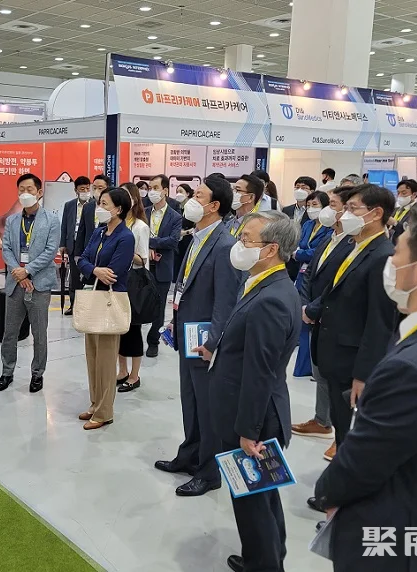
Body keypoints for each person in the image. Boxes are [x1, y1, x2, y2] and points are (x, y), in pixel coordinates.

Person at [314, 201, 417, 572]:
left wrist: (327, 492)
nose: (391, 262)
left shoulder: (412, 369)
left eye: (398, 252)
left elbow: (361, 464)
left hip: (395, 539)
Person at [210, 210, 301, 572]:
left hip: (254, 418)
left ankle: (264, 565)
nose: (239, 244)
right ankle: (265, 558)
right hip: (250, 410)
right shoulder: (264, 284)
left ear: (271, 249)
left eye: (247, 239)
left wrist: (248, 431)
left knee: (252, 500)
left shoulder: (272, 299)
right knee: (261, 496)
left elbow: (260, 372)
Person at [155, 175, 241, 496]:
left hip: (205, 339)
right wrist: (174, 322)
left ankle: (209, 472)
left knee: (207, 406)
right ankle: (189, 454)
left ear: (214, 205)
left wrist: (213, 342)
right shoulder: (197, 237)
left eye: (199, 195)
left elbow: (225, 302)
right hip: (186, 332)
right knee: (190, 400)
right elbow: (185, 286)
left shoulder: (225, 245)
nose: (191, 200)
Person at [310, 184, 397, 455]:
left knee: (351, 431)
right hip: (335, 354)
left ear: (376, 213)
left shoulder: (382, 255)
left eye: (352, 209)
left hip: (352, 361)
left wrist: (363, 374)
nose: (345, 215)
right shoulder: (356, 246)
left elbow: (379, 322)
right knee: (340, 424)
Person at [293, 187, 354, 462]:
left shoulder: (352, 245)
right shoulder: (328, 238)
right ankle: (322, 420)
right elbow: (310, 274)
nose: (329, 210)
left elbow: (337, 285)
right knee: (320, 372)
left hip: (332, 315)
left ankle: (343, 436)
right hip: (315, 312)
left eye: (335, 204)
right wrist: (305, 305)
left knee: (336, 378)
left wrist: (314, 308)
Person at [76, 187, 135, 430]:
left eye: (105, 204)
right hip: (93, 298)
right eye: (99, 202)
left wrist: (95, 270)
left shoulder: (126, 237)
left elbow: (114, 272)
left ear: (118, 209)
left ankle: (104, 412)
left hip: (110, 301)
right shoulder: (99, 232)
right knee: (92, 356)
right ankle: (95, 403)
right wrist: (94, 270)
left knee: (107, 361)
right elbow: (81, 259)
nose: (100, 207)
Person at [0, 173, 59, 394]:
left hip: (39, 284)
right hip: (16, 283)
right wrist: (19, 274)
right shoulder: (12, 220)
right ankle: (7, 371)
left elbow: (50, 251)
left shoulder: (51, 220)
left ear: (39, 192)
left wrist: (28, 270)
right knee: (9, 332)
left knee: (39, 334)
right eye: (21, 189)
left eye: (29, 189)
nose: (25, 193)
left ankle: (37, 374)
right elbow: (6, 248)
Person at [292, 190, 332, 378]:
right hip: (303, 274)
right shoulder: (307, 224)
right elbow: (299, 244)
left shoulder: (329, 228)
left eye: (315, 205)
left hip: (318, 273)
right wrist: (300, 252)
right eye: (308, 205)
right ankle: (302, 367)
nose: (310, 209)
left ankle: (313, 365)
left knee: (313, 320)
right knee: (301, 317)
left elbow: (316, 251)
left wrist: (300, 253)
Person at [116, 182, 149, 392]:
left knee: (133, 331)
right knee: (118, 329)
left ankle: (135, 375)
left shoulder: (140, 227)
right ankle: (122, 370)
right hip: (117, 282)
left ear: (134, 200)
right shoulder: (116, 223)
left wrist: (124, 250)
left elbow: (143, 260)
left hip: (134, 284)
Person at [145, 177, 183, 357]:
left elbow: (172, 241)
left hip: (163, 267)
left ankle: (153, 341)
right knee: (138, 303)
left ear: (165, 190)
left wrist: (150, 242)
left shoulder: (175, 217)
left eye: (156, 187)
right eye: (150, 188)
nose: (152, 191)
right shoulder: (143, 212)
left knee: (159, 308)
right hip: (142, 266)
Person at [59, 176, 92, 315]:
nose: (85, 191)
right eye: (82, 189)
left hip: (89, 244)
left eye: (87, 188)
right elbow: (64, 226)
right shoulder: (69, 205)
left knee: (89, 275)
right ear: (76, 190)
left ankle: (89, 306)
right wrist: (62, 244)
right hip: (72, 244)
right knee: (74, 276)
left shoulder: (95, 204)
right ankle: (73, 305)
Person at [74, 174, 106, 263]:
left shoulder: (111, 208)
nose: (96, 191)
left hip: (104, 252)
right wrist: (78, 254)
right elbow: (81, 231)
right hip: (87, 251)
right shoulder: (87, 207)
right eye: (94, 188)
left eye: (100, 188)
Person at [227, 173, 265, 238]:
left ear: (251, 197)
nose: (233, 193)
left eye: (237, 190)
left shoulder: (259, 226)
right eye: (233, 189)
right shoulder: (228, 221)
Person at [388, 178, 417, 245]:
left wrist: (395, 223)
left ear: (414, 194)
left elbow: (411, 232)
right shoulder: (396, 210)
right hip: (392, 245)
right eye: (398, 193)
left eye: (404, 193)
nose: (400, 196)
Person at [174, 183, 196, 273]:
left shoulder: (193, 208)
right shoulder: (177, 207)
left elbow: (195, 227)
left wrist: (185, 232)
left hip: (188, 240)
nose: (178, 194)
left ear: (187, 193)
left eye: (180, 191)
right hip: (178, 241)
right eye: (177, 192)